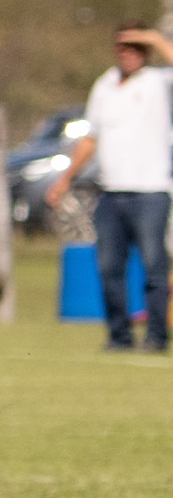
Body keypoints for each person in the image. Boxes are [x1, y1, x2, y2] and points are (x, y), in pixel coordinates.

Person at [45, 28, 173, 351]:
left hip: (151, 191)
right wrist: (65, 178)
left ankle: (156, 337)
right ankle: (120, 336)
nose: (128, 52)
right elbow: (91, 137)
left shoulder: (159, 82)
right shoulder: (104, 84)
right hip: (111, 193)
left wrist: (156, 40)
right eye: (122, 46)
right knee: (109, 268)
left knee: (154, 267)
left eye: (135, 46)